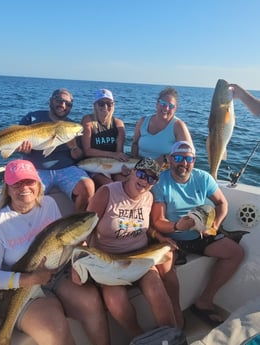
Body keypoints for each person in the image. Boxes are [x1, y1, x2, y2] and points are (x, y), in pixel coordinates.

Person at [0, 159, 110, 345]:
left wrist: (78, 260)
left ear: (38, 184)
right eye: (17, 183)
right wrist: (31, 279)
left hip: (56, 274)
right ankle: (2, 336)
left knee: (92, 302)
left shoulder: (49, 204)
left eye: (29, 181)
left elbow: (60, 246)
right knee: (55, 330)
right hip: (21, 288)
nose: (24, 187)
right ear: (7, 188)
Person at [151, 141, 245, 327]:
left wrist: (215, 225)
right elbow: (157, 222)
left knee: (236, 253)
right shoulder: (161, 182)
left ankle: (204, 301)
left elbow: (222, 203)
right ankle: (176, 313)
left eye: (188, 159)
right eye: (178, 158)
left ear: (194, 161)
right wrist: (178, 226)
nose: (183, 163)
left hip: (200, 234)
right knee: (165, 267)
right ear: (170, 160)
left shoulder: (203, 178)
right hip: (172, 236)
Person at [86, 157, 179, 339]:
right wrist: (80, 258)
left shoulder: (149, 197)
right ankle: (140, 339)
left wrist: (160, 238)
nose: (145, 181)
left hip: (140, 256)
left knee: (157, 291)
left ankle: (172, 338)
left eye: (151, 179)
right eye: (142, 174)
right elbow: (84, 227)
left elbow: (146, 226)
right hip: (109, 260)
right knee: (116, 301)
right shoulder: (107, 193)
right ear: (132, 172)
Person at [17, 88, 94, 212]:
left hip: (67, 169)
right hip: (37, 168)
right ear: (51, 100)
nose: (63, 105)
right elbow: (16, 142)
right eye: (59, 100)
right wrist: (24, 150)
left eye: (68, 104)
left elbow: (79, 156)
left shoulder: (73, 127)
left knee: (88, 186)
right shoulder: (32, 118)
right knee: (25, 195)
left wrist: (73, 146)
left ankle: (76, 225)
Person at [131, 87, 192, 168]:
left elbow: (189, 152)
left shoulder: (178, 126)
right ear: (157, 104)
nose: (166, 108)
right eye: (163, 103)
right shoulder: (142, 121)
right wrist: (135, 161)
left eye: (171, 106)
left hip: (165, 169)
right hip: (140, 167)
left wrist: (165, 158)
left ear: (175, 109)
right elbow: (135, 144)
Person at [81, 89, 129, 188]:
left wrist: (124, 167)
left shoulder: (118, 124)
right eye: (101, 104)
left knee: (126, 184)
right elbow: (87, 151)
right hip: (94, 166)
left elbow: (119, 153)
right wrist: (113, 155)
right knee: (110, 185)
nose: (105, 107)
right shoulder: (88, 121)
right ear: (95, 105)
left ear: (113, 105)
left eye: (109, 103)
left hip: (114, 165)